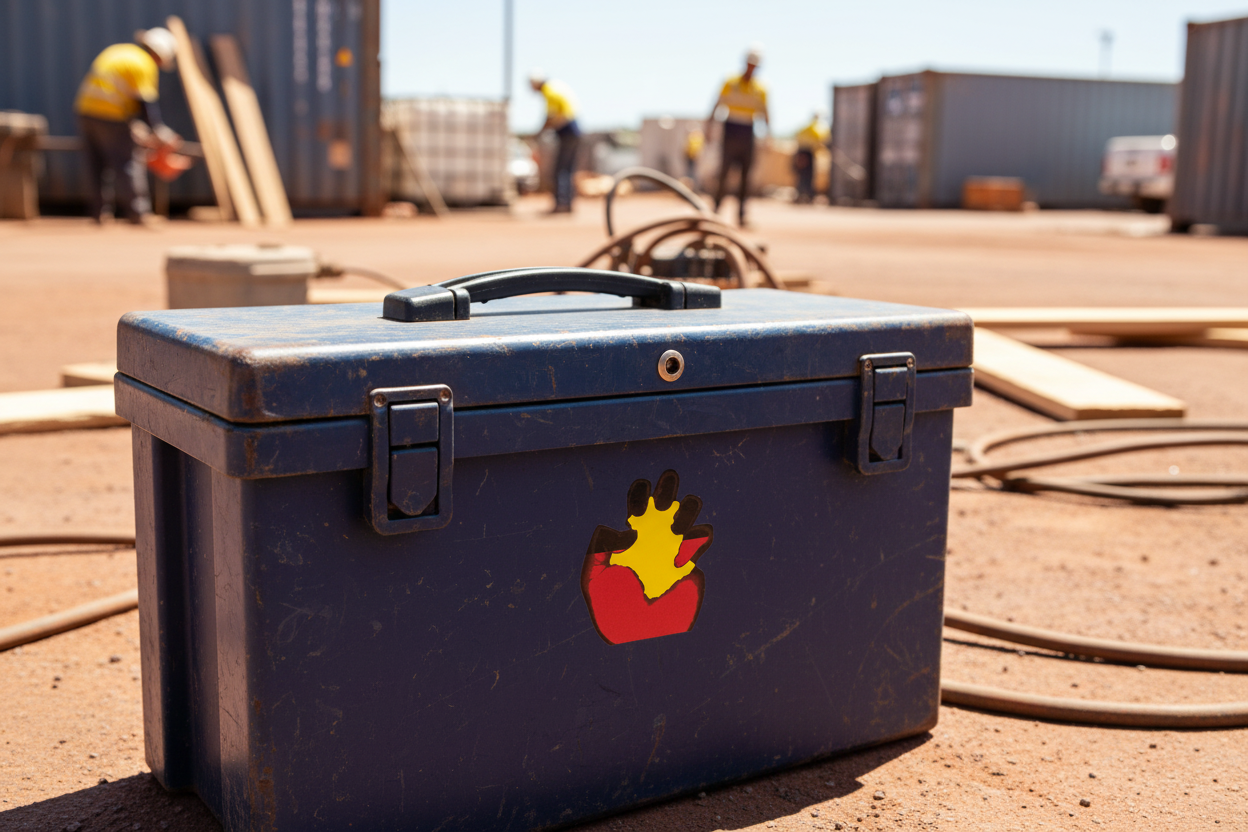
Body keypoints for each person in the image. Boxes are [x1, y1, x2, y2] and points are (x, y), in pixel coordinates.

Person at [74, 27, 181, 224]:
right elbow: (145, 103)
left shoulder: (118, 51)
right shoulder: (144, 63)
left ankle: (99, 214)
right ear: (159, 55)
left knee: (96, 164)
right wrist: (158, 130)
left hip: (86, 110)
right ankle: (138, 213)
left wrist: (134, 124)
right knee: (127, 163)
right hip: (111, 114)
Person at [706, 45, 769, 227]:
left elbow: (765, 113)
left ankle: (741, 215)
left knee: (745, 176)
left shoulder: (761, 88)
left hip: (748, 130)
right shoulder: (730, 82)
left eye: (754, 66)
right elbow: (717, 104)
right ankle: (715, 210)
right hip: (731, 128)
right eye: (750, 64)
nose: (751, 68)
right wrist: (709, 127)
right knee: (724, 172)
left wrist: (767, 136)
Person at [529, 70, 581, 214]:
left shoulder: (549, 90)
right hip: (573, 131)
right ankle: (567, 204)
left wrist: (539, 132)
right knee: (567, 169)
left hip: (567, 132)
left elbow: (551, 116)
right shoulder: (555, 86)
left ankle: (562, 204)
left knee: (561, 169)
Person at [793, 111, 829, 204]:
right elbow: (820, 141)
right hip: (807, 153)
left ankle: (801, 194)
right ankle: (807, 195)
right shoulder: (816, 127)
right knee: (808, 175)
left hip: (801, 152)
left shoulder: (806, 127)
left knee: (801, 175)